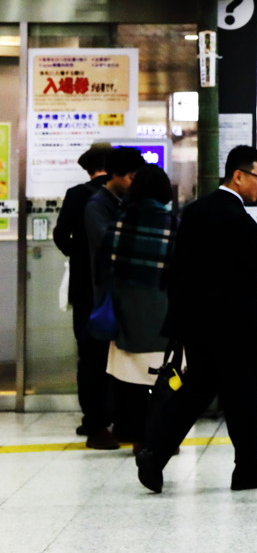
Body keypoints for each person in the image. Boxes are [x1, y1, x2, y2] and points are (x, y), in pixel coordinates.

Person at [135, 145, 257, 494]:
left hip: (198, 325)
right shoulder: (236, 217)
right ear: (238, 175)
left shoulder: (195, 211)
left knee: (196, 391)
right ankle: (246, 471)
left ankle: (154, 453)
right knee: (244, 399)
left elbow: (179, 268)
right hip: (234, 327)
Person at [102, 164, 178, 452]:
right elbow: (181, 271)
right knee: (164, 379)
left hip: (125, 310)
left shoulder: (119, 222)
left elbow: (104, 266)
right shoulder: (173, 224)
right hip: (162, 310)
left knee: (129, 379)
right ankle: (161, 436)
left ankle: (134, 435)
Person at [82, 145, 146, 449]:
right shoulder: (97, 205)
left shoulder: (124, 201)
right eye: (132, 176)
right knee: (97, 362)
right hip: (104, 296)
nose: (135, 182)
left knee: (123, 364)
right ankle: (96, 425)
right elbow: (111, 245)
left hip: (125, 294)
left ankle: (125, 425)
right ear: (117, 175)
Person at [53, 142, 112, 440]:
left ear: (88, 168)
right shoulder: (122, 194)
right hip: (119, 287)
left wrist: (80, 254)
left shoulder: (77, 195)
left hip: (86, 287)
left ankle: (94, 419)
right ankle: (121, 414)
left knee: (89, 354)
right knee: (121, 352)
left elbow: (60, 234)